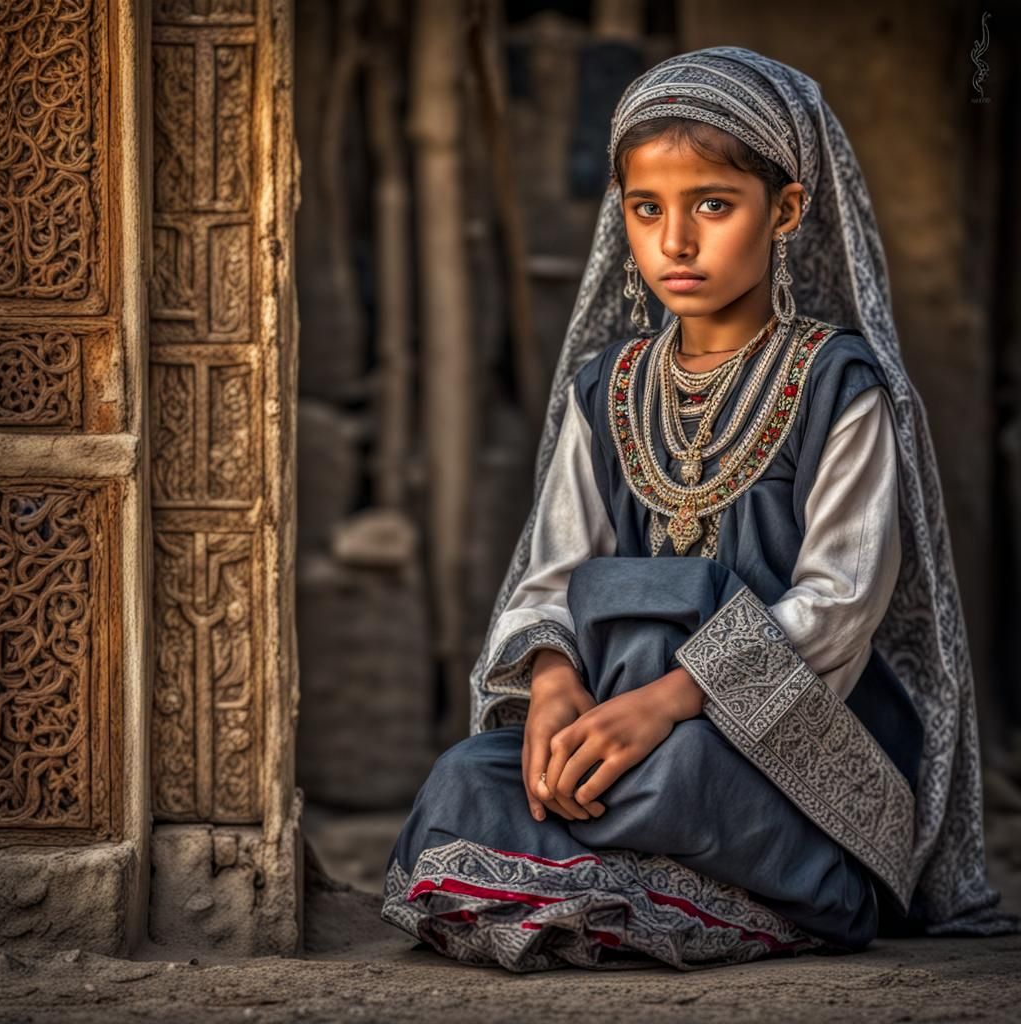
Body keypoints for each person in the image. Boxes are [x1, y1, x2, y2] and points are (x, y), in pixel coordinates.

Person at [379, 46, 1019, 972]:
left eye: (712, 205)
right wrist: (557, 683)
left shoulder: (838, 383)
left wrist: (668, 704)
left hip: (773, 744)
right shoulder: (608, 390)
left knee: (680, 774)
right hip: (621, 724)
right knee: (466, 778)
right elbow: (555, 570)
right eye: (647, 210)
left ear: (787, 210)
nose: (675, 242)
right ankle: (641, 881)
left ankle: (753, 884)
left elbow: (837, 606)